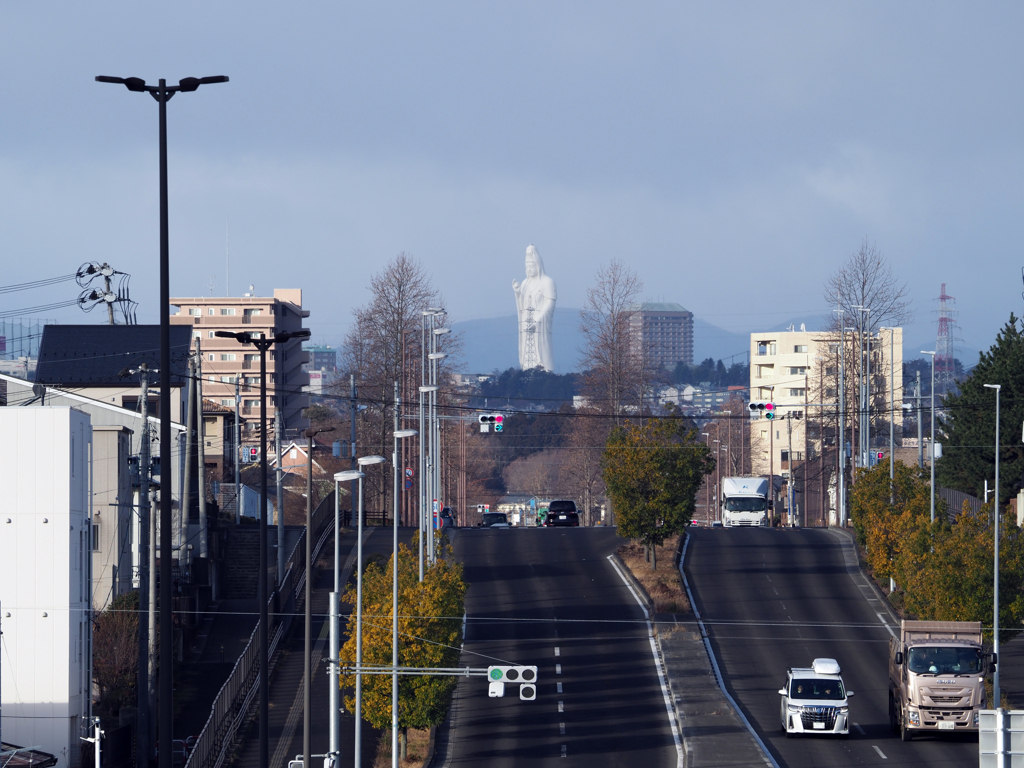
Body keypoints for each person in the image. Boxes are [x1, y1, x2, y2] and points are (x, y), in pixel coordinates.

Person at [512, 244, 557, 371]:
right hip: (527, 327)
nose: (529, 269)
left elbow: (550, 304)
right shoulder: (525, 283)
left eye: (531, 266)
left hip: (539, 328)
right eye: (527, 266)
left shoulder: (547, 282)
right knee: (527, 357)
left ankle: (544, 372)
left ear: (538, 265)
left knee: (541, 355)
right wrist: (518, 293)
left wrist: (537, 321)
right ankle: (526, 370)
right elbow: (523, 308)